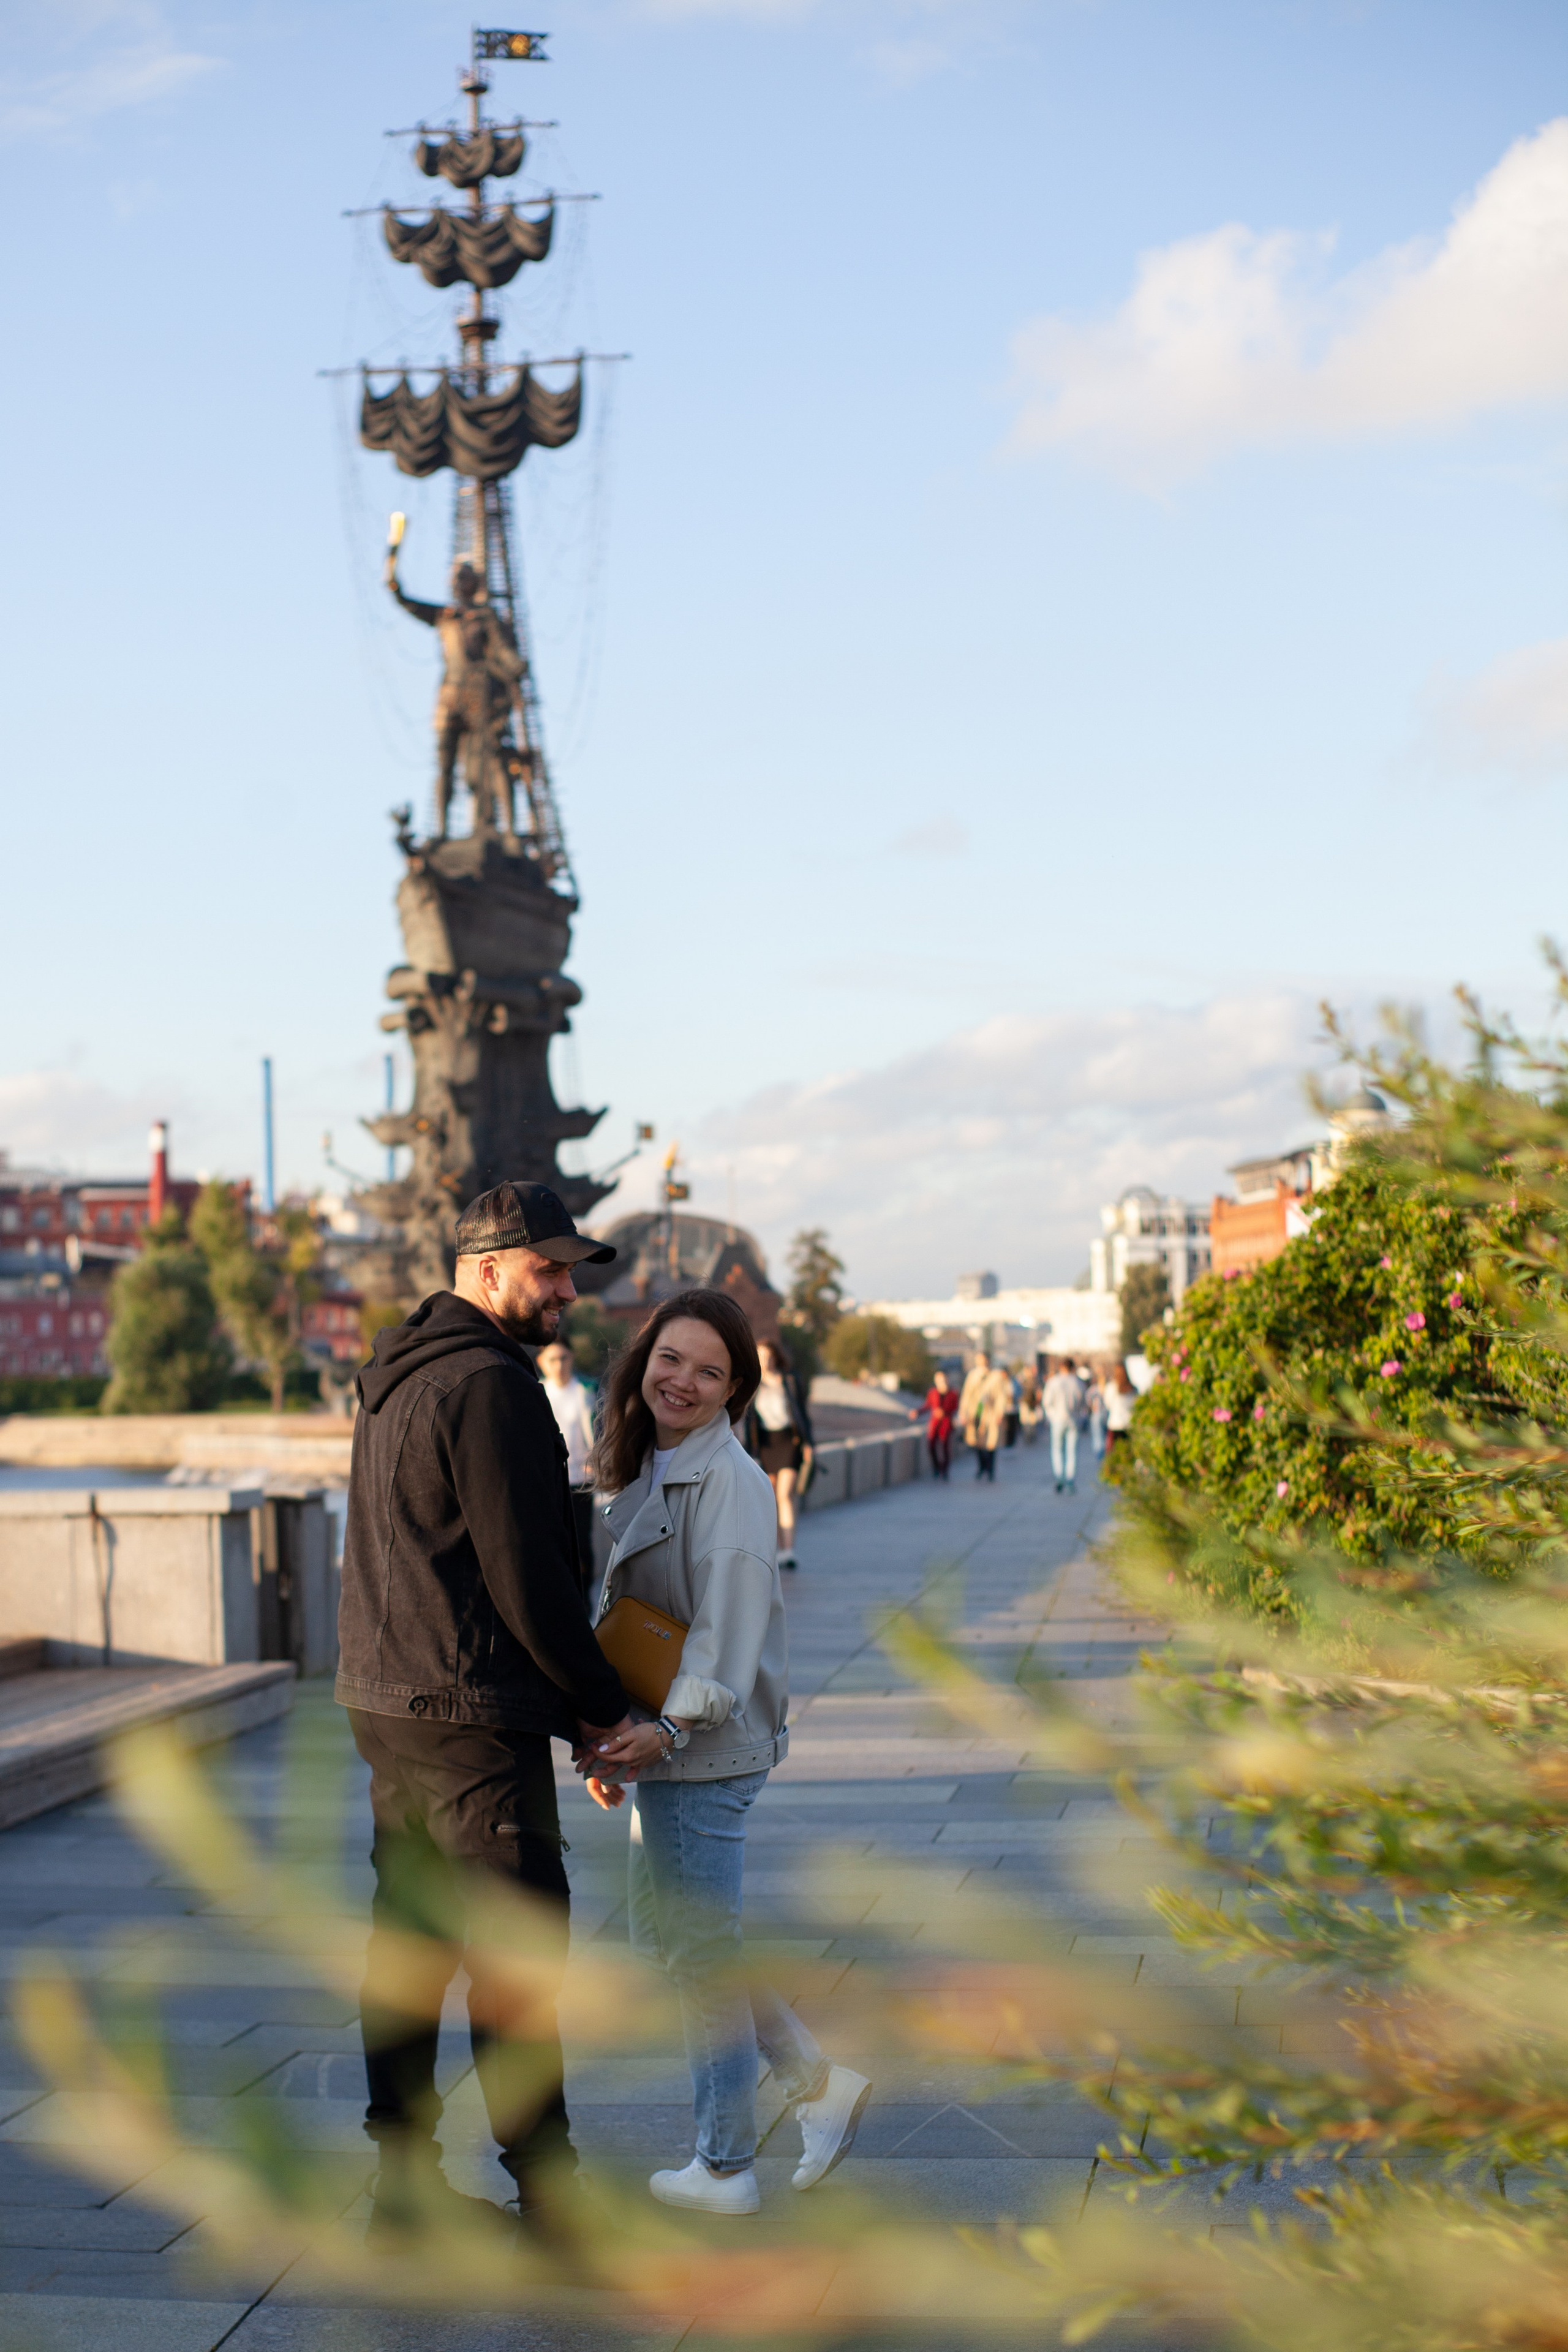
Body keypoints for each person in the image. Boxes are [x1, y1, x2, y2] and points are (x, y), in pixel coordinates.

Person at [336, 1181, 633, 2234]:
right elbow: (528, 1576)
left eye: (568, 1270)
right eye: (548, 1268)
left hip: (390, 1704)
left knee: (410, 1950)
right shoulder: (492, 1387)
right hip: (468, 1710)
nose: (565, 1289)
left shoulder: (395, 1373)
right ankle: (551, 2199)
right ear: (486, 1268)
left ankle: (402, 2188)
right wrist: (601, 1707)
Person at [582, 1290, 871, 2215]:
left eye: (711, 1371)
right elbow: (637, 1616)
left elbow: (726, 1630)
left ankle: (724, 2166)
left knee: (698, 1953)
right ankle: (816, 2085)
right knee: (673, 1941)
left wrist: (664, 1730)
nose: (684, 1381)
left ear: (737, 1388)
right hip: (669, 1739)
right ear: (644, 1358)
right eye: (671, 1359)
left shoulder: (732, 1482)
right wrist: (617, 1736)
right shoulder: (647, 1460)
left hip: (705, 1744)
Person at [743, 1333, 814, 1570]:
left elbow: (802, 1415)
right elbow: (749, 1422)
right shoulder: (754, 1385)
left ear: (776, 1357)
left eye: (768, 1356)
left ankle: (789, 1550)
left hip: (789, 1441)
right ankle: (775, 1550)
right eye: (760, 1356)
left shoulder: (790, 1381)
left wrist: (809, 1444)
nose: (765, 1361)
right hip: (766, 1444)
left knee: (785, 1494)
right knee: (771, 1498)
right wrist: (750, 1451)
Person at [537, 1340, 598, 1598]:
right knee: (552, 1541)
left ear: (571, 1359)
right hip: (549, 1481)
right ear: (542, 1363)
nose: (559, 1365)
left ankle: (585, 1596)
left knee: (581, 1541)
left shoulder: (585, 1392)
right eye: (553, 1360)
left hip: (580, 1480)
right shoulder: (538, 1392)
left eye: (563, 1359)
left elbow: (596, 1433)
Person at [957, 1349, 1012, 1483]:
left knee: (991, 1443)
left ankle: (990, 1469)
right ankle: (981, 1467)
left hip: (990, 1413)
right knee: (977, 1442)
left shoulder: (996, 1376)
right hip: (976, 1412)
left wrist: (1000, 1412)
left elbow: (1001, 1396)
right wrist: (963, 1412)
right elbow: (966, 1394)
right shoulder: (973, 1375)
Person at [1042, 1357, 1082, 1494]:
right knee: (1072, 1452)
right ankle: (1070, 1479)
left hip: (1058, 1419)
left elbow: (1047, 1402)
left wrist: (1051, 1416)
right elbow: (1082, 1402)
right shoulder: (1077, 1382)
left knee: (1057, 1450)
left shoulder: (1053, 1382)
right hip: (1073, 1419)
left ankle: (1059, 1477)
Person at [918, 1366, 959, 1480]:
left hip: (946, 1423)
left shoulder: (953, 1393)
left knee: (945, 1447)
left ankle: (945, 1470)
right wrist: (917, 1412)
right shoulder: (933, 1392)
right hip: (935, 1423)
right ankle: (936, 1468)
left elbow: (955, 1407)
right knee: (931, 1445)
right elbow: (927, 1406)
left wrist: (945, 1412)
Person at [1104, 1361, 1136, 1455]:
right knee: (1128, 1455)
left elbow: (1108, 1405)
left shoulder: (1111, 1387)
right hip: (1129, 1425)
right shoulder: (1132, 1388)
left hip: (1115, 1425)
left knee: (1114, 1455)